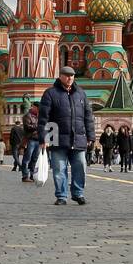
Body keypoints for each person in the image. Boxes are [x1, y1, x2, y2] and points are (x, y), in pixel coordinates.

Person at [37, 66, 94, 206]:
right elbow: (43, 118)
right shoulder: (50, 93)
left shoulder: (80, 94)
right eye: (67, 75)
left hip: (78, 137)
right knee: (59, 169)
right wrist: (43, 138)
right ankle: (62, 196)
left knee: (80, 166)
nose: (70, 78)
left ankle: (78, 193)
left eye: (72, 76)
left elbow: (88, 116)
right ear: (60, 76)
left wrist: (90, 136)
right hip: (57, 137)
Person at [21, 105, 41, 183]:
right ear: (34, 107)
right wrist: (38, 126)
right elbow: (27, 127)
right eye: (38, 108)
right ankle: (25, 176)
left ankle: (32, 175)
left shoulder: (39, 116)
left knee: (34, 159)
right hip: (30, 139)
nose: (39, 110)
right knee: (27, 158)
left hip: (38, 139)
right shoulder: (27, 116)